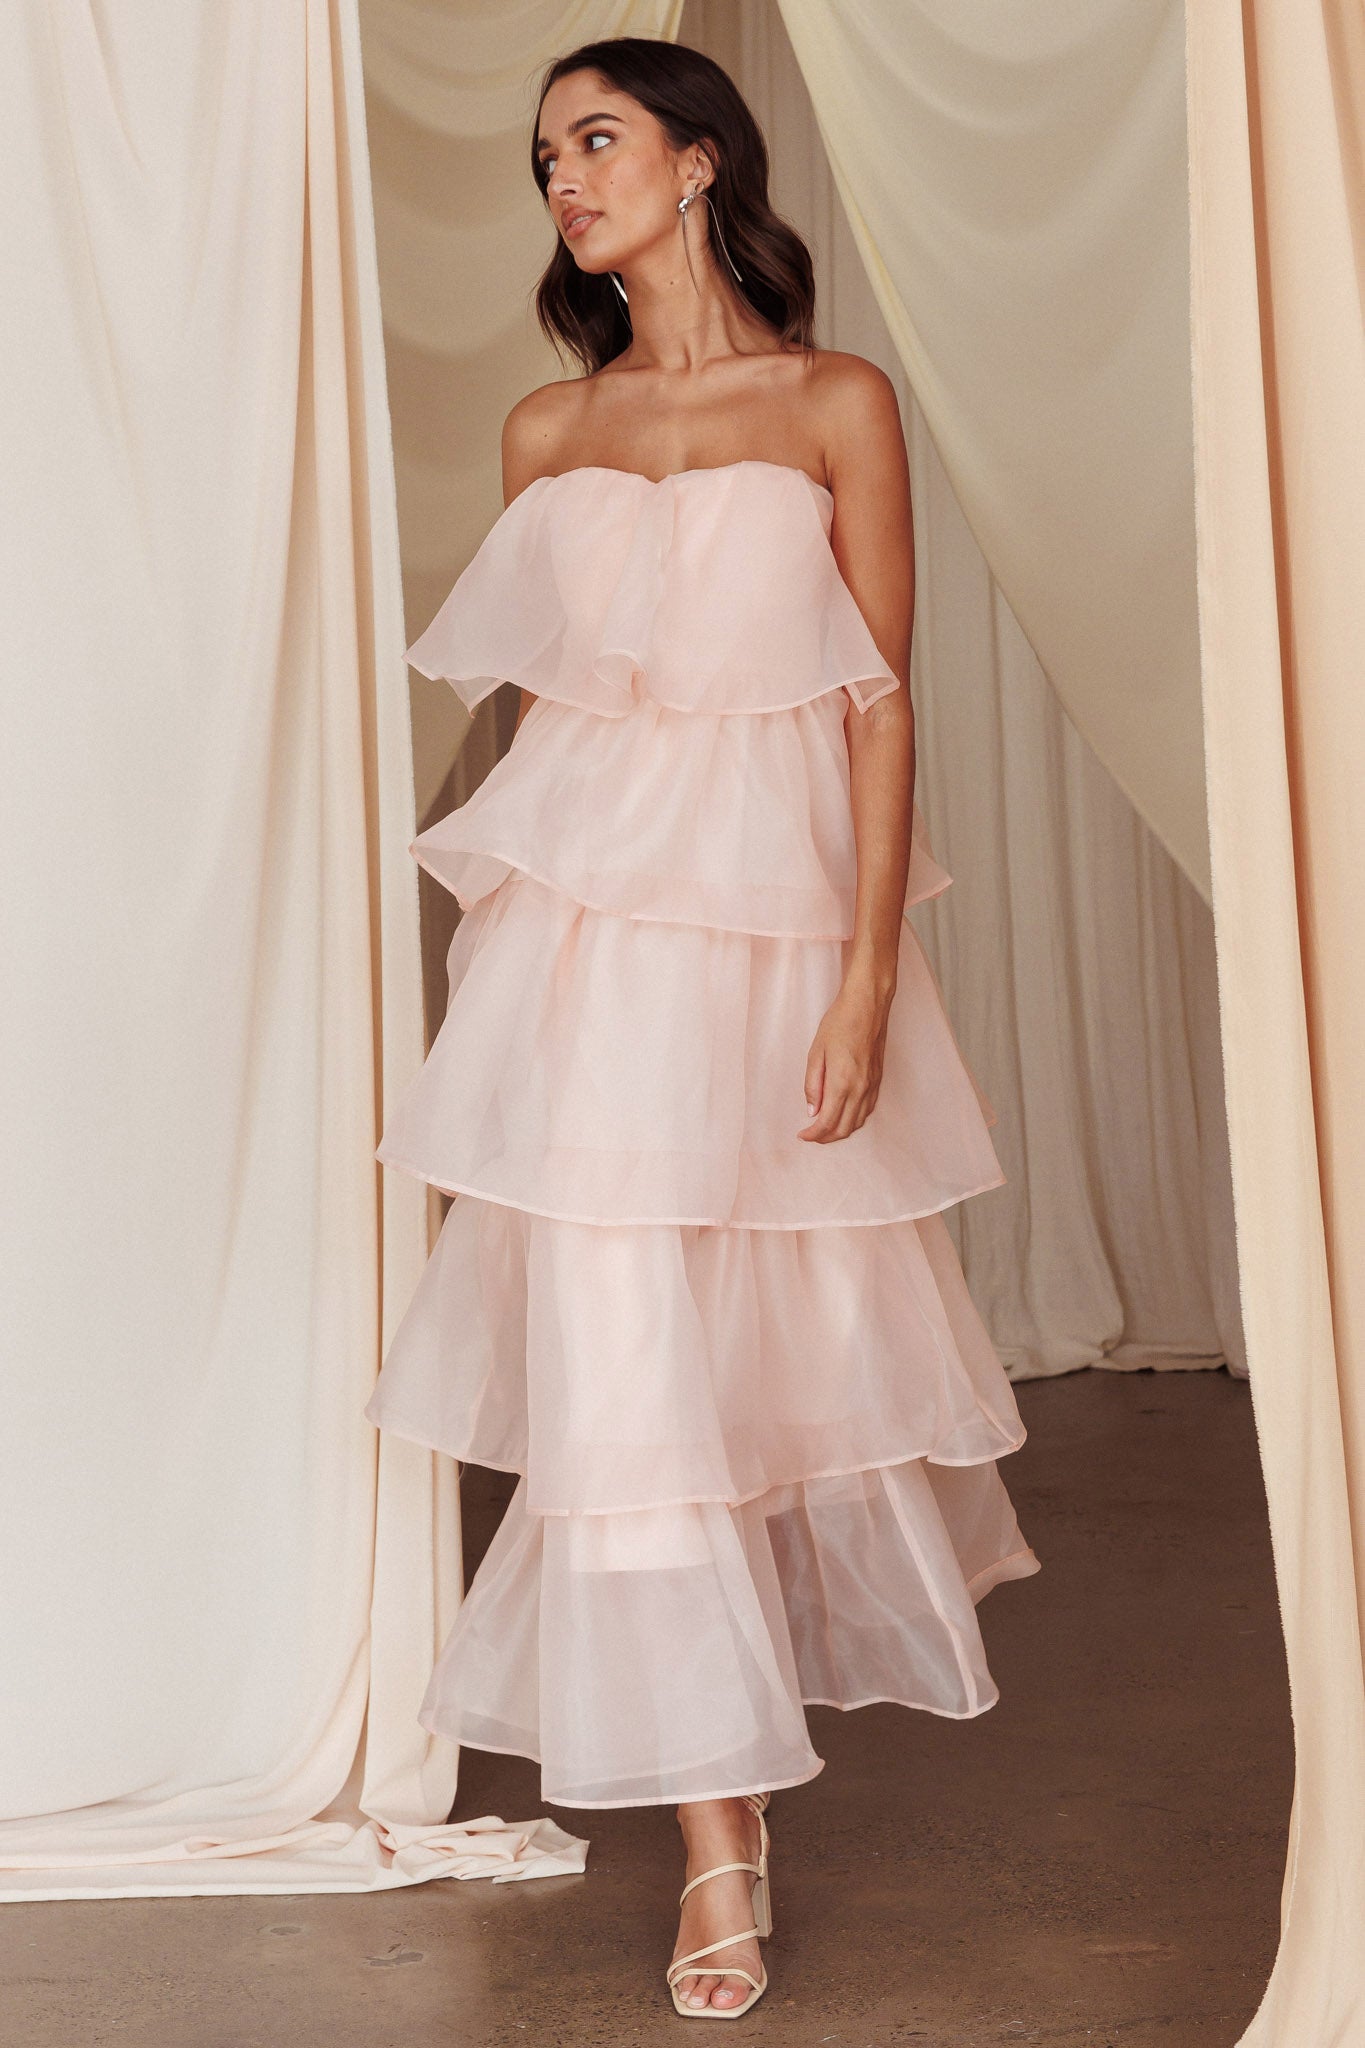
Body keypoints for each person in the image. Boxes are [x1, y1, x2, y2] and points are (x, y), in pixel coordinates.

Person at [365, 35, 1039, 2021]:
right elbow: (532, 735)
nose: (561, 178)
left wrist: (862, 978)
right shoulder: (544, 432)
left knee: (764, 1369)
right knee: (620, 1386)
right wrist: (498, 996)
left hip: (768, 961)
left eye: (594, 139)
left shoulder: (833, 404)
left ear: (694, 164)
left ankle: (730, 1791)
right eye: (543, 155)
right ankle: (716, 1846)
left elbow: (876, 709)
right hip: (580, 985)